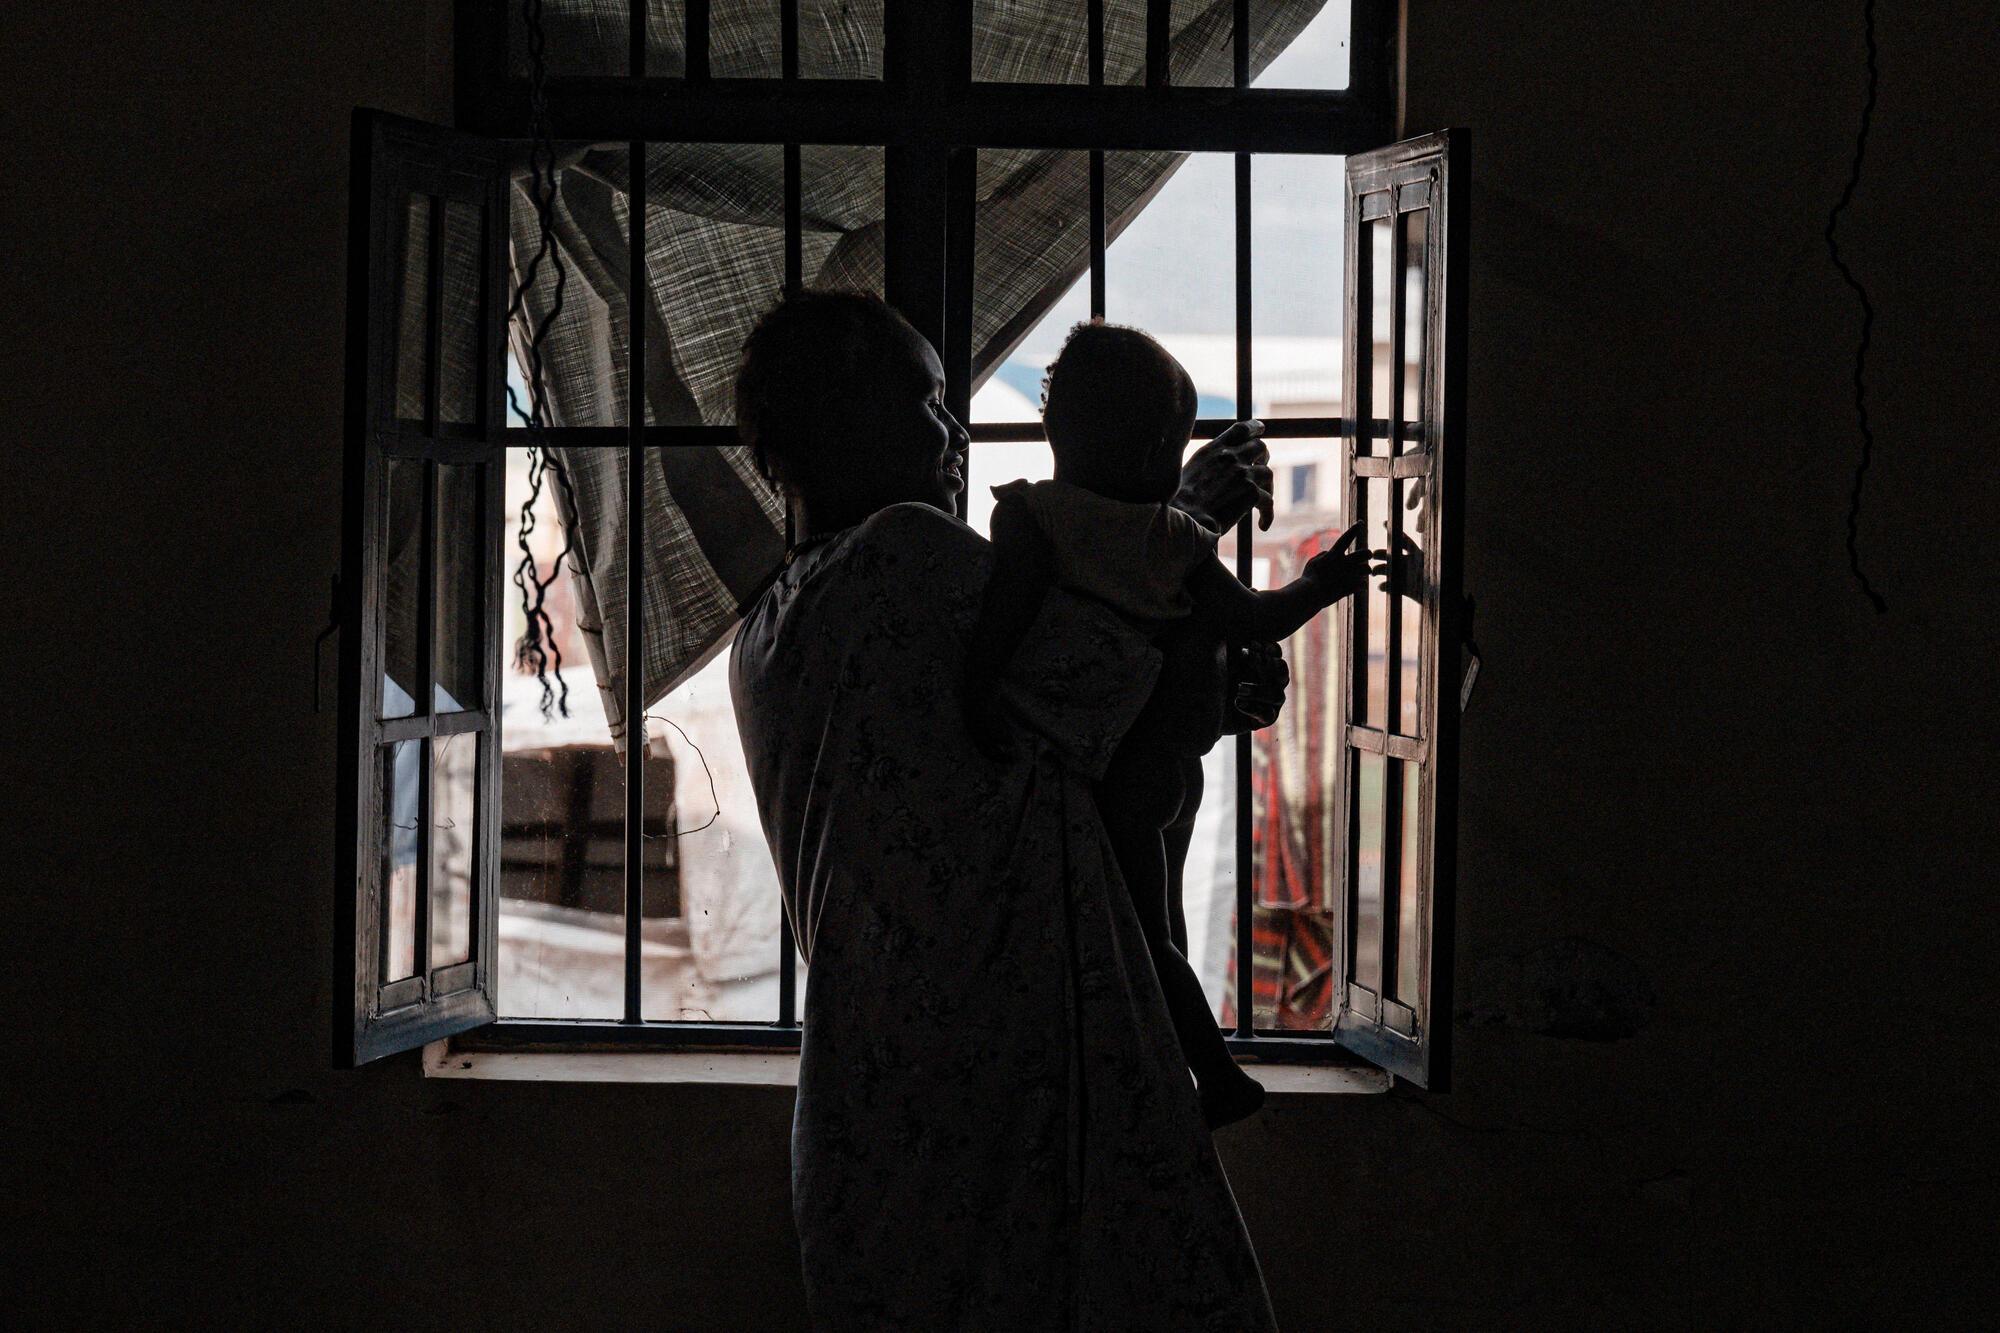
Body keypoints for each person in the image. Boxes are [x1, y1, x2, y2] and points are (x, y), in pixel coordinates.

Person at [729, 291, 1287, 1329]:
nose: (951, 433)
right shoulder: (904, 555)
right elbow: (1108, 676)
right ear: (848, 418)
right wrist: (1189, 517)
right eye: (926, 402)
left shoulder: (766, 626)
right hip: (1007, 1101)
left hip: (874, 1105)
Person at [965, 321, 1381, 1132]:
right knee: (1155, 933)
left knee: (1132, 937)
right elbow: (1260, 616)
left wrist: (981, 706)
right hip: (1157, 768)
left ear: (1053, 430)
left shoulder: (1030, 518)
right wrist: (1324, 583)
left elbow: (998, 635)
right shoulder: (1176, 538)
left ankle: (1200, 1075)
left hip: (1091, 770)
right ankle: (1211, 1071)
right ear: (1165, 444)